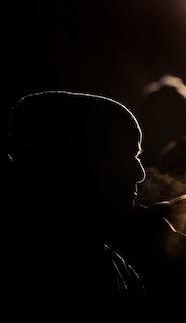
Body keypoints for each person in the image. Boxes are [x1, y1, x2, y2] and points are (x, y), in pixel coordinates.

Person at [5, 90, 154, 322]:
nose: (139, 173)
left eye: (137, 156)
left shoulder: (115, 264)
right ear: (63, 159)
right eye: (120, 155)